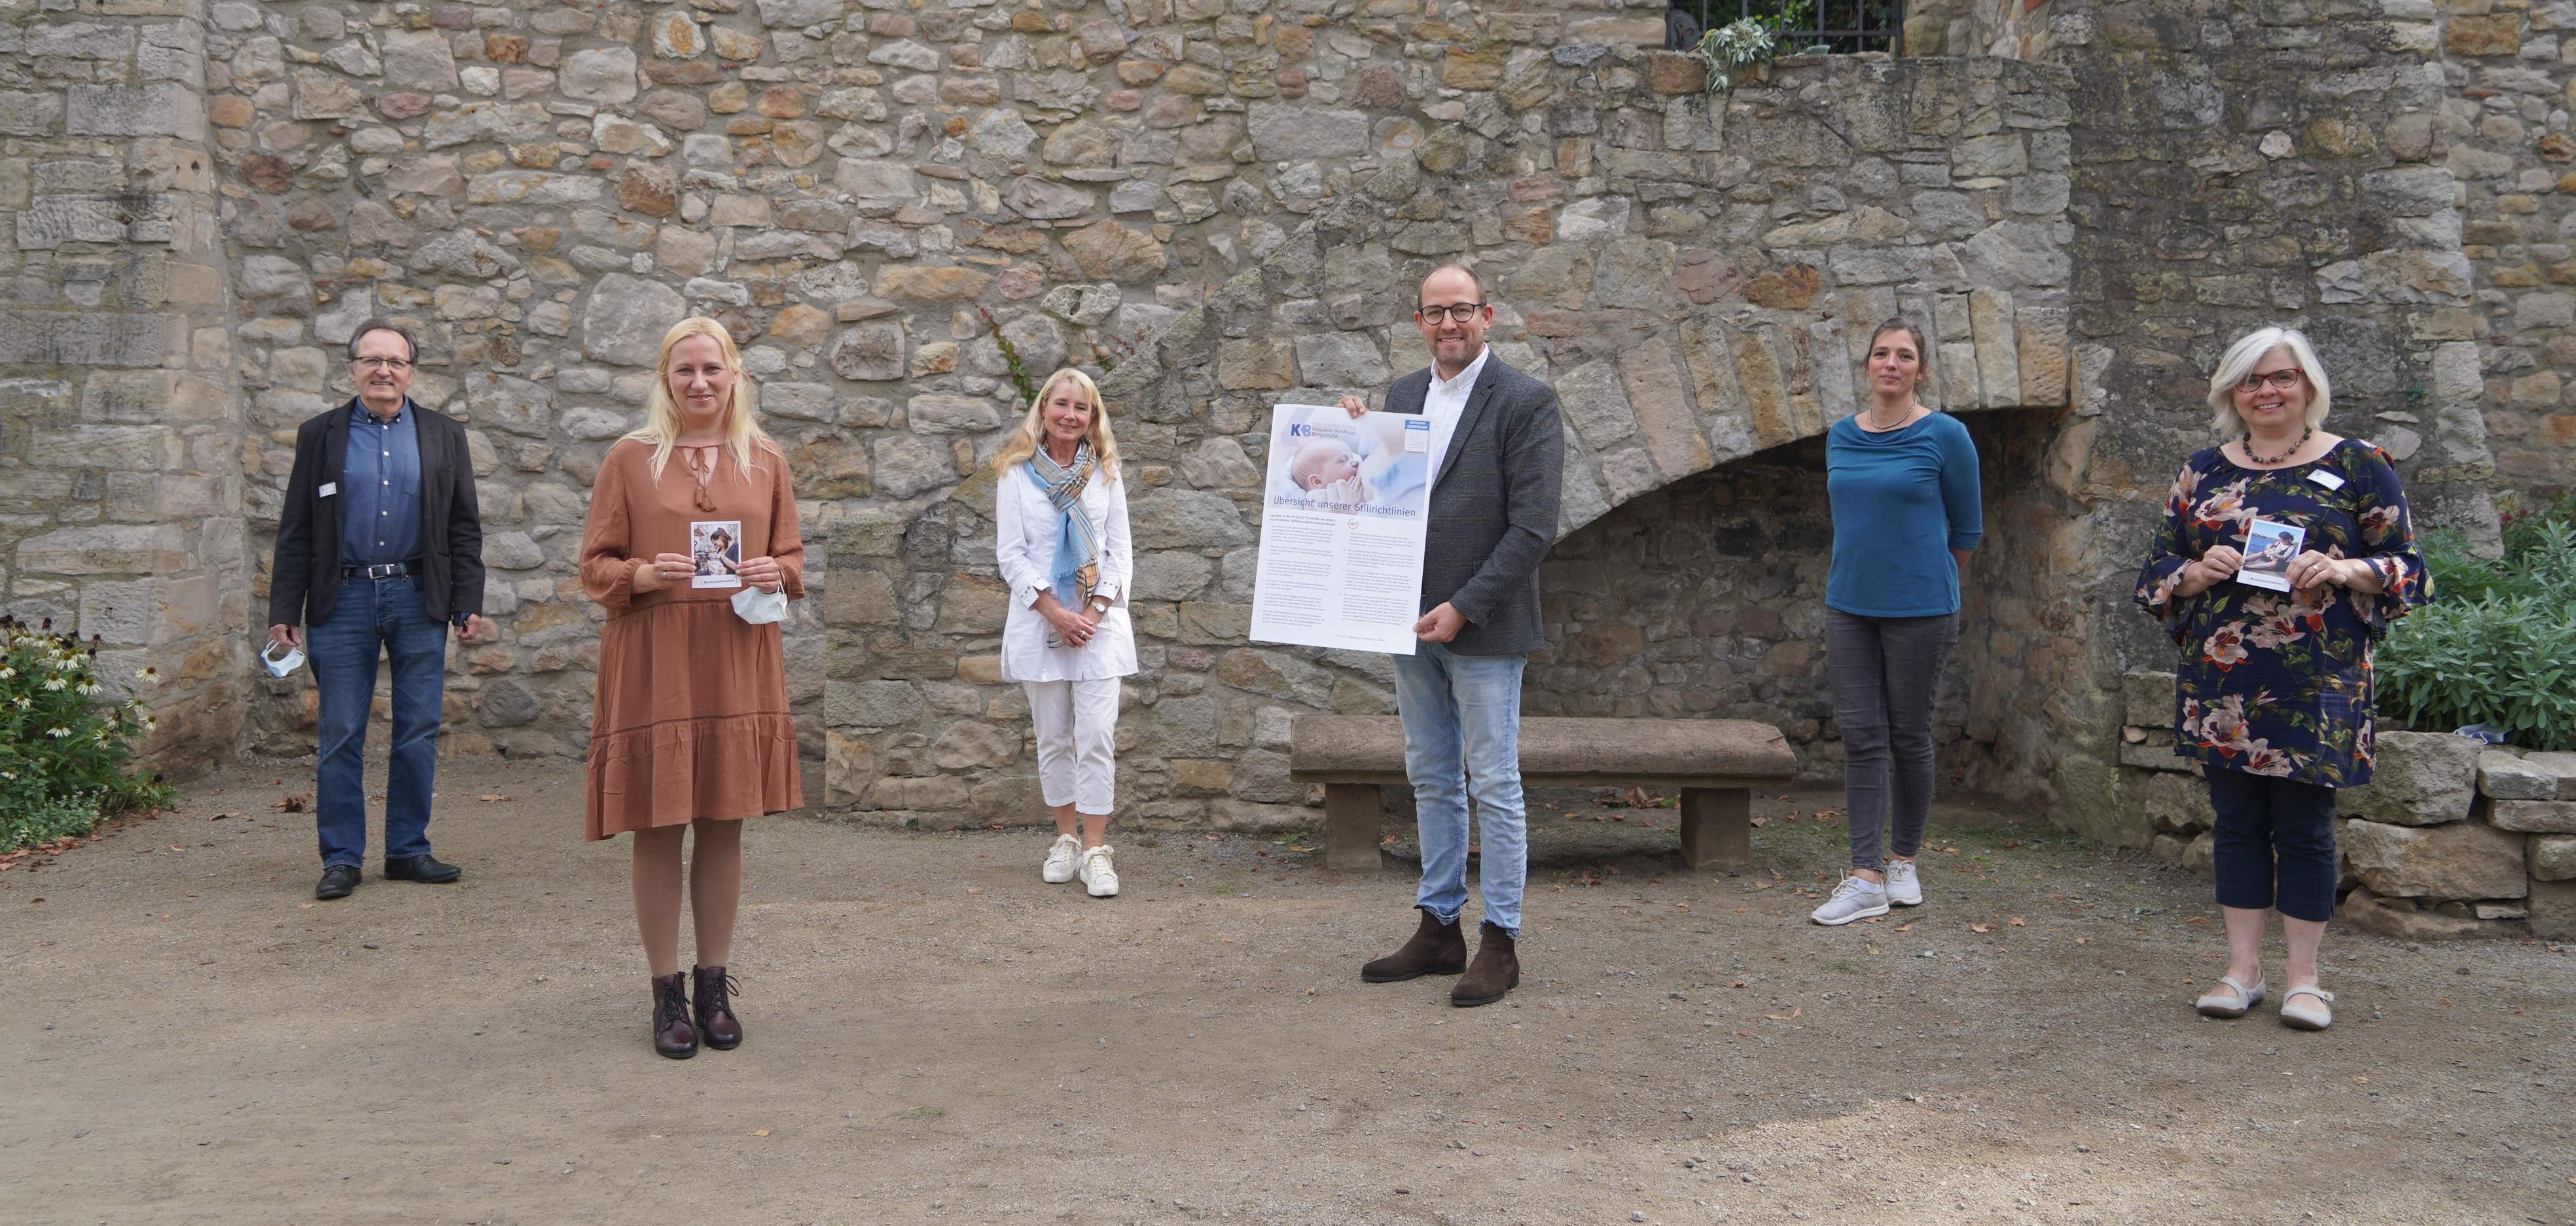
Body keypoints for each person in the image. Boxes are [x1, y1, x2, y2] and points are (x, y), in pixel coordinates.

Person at [2135, 326, 2427, 1032]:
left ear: (2308, 386)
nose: (2267, 391)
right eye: (2252, 380)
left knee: (2304, 827)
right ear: (2232, 392)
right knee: (2236, 823)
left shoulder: (2360, 464)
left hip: (2317, 680)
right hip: (2223, 680)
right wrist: (2193, 572)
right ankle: (2242, 972)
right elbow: (2154, 574)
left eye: (2282, 377)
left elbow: (2410, 569)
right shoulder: (2202, 470)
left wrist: (2343, 568)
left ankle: (2305, 981)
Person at [578, 317, 804, 1059]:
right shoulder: (630, 458)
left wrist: (776, 571)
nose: (700, 382)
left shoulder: (766, 458)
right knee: (658, 820)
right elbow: (595, 565)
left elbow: (791, 558)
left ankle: (714, 985)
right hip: (656, 657)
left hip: (737, 652)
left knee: (723, 820)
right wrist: (641, 574)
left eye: (712, 368)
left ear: (735, 374)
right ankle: (665, 992)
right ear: (665, 379)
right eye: (685, 370)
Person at [1339, 264, 1564, 1007]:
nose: (1449, 324)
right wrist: (1347, 434)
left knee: (1493, 783)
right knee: (1432, 776)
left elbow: (1533, 527)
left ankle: (1501, 940)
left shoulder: (1526, 400)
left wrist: (1464, 607)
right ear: (1419, 322)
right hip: (1408, 621)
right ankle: (1439, 927)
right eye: (1435, 313)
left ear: (1486, 315)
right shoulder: (1404, 395)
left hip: (1484, 625)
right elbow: (1378, 499)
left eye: (1461, 310)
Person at [267, 319, 495, 902]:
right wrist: (284, 609)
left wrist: (467, 600)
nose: (383, 371)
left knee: (417, 728)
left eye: (395, 361)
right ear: (352, 370)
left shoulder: (444, 434)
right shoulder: (320, 435)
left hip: (418, 596)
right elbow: (296, 529)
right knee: (341, 730)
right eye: (371, 360)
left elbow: (463, 526)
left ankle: (407, 850)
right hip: (342, 597)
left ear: (411, 371)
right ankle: (342, 858)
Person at [1808, 319, 1982, 926]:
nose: (1891, 363)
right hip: (1848, 606)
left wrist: (1928, 580)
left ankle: (1903, 861)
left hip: (1921, 610)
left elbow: (1967, 529)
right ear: (1867, 366)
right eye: (1881, 353)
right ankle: (1865, 877)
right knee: (1861, 736)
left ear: (1920, 370)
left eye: (1904, 355)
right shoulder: (1840, 436)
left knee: (1908, 735)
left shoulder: (1947, 435)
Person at [993, 368, 1137, 898]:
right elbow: (1011, 555)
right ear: (1044, 408)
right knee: (1053, 739)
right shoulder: (1014, 473)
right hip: (1041, 623)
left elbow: (1119, 551)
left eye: (1081, 407)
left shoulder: (1106, 472)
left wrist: (1093, 613)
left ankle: (1097, 851)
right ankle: (1066, 839)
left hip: (1099, 626)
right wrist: (1054, 612)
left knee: (1096, 737)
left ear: (1092, 416)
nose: (1070, 415)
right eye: (1062, 404)